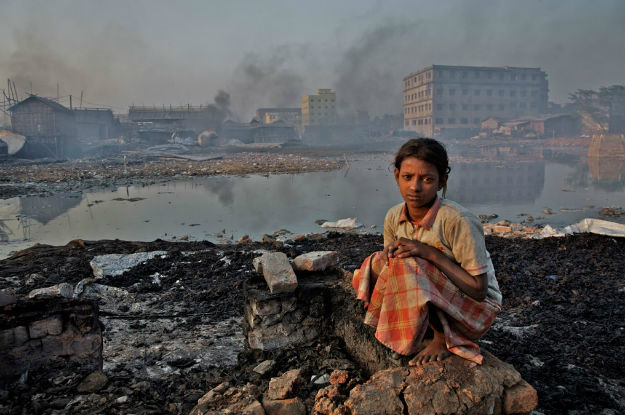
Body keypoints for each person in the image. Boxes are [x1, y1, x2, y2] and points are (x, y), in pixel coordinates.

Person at [352, 138, 502, 365]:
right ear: (396, 176)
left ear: (442, 181)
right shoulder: (394, 216)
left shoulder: (458, 220)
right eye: (407, 177)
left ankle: (443, 339)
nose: (415, 187)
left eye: (427, 179)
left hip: (474, 309)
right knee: (380, 261)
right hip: (437, 296)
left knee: (409, 262)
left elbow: (479, 291)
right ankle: (419, 331)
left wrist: (430, 253)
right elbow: (393, 274)